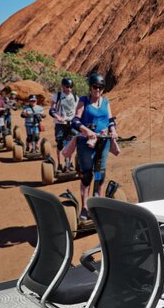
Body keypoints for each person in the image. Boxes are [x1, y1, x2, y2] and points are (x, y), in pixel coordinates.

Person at [70, 73, 117, 221]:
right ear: (90, 87)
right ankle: (84, 208)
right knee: (87, 175)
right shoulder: (84, 101)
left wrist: (113, 130)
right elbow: (75, 121)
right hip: (86, 142)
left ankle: (97, 203)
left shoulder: (105, 102)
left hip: (103, 142)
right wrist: (88, 131)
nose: (98, 90)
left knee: (100, 173)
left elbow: (110, 120)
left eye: (100, 87)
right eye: (95, 87)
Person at [49, 77, 77, 172]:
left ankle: (68, 163)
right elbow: (51, 110)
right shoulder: (57, 95)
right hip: (60, 124)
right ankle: (60, 164)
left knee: (70, 144)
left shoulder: (75, 97)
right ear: (63, 86)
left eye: (71, 86)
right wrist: (58, 117)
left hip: (71, 123)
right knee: (60, 143)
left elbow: (78, 111)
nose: (69, 88)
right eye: (67, 86)